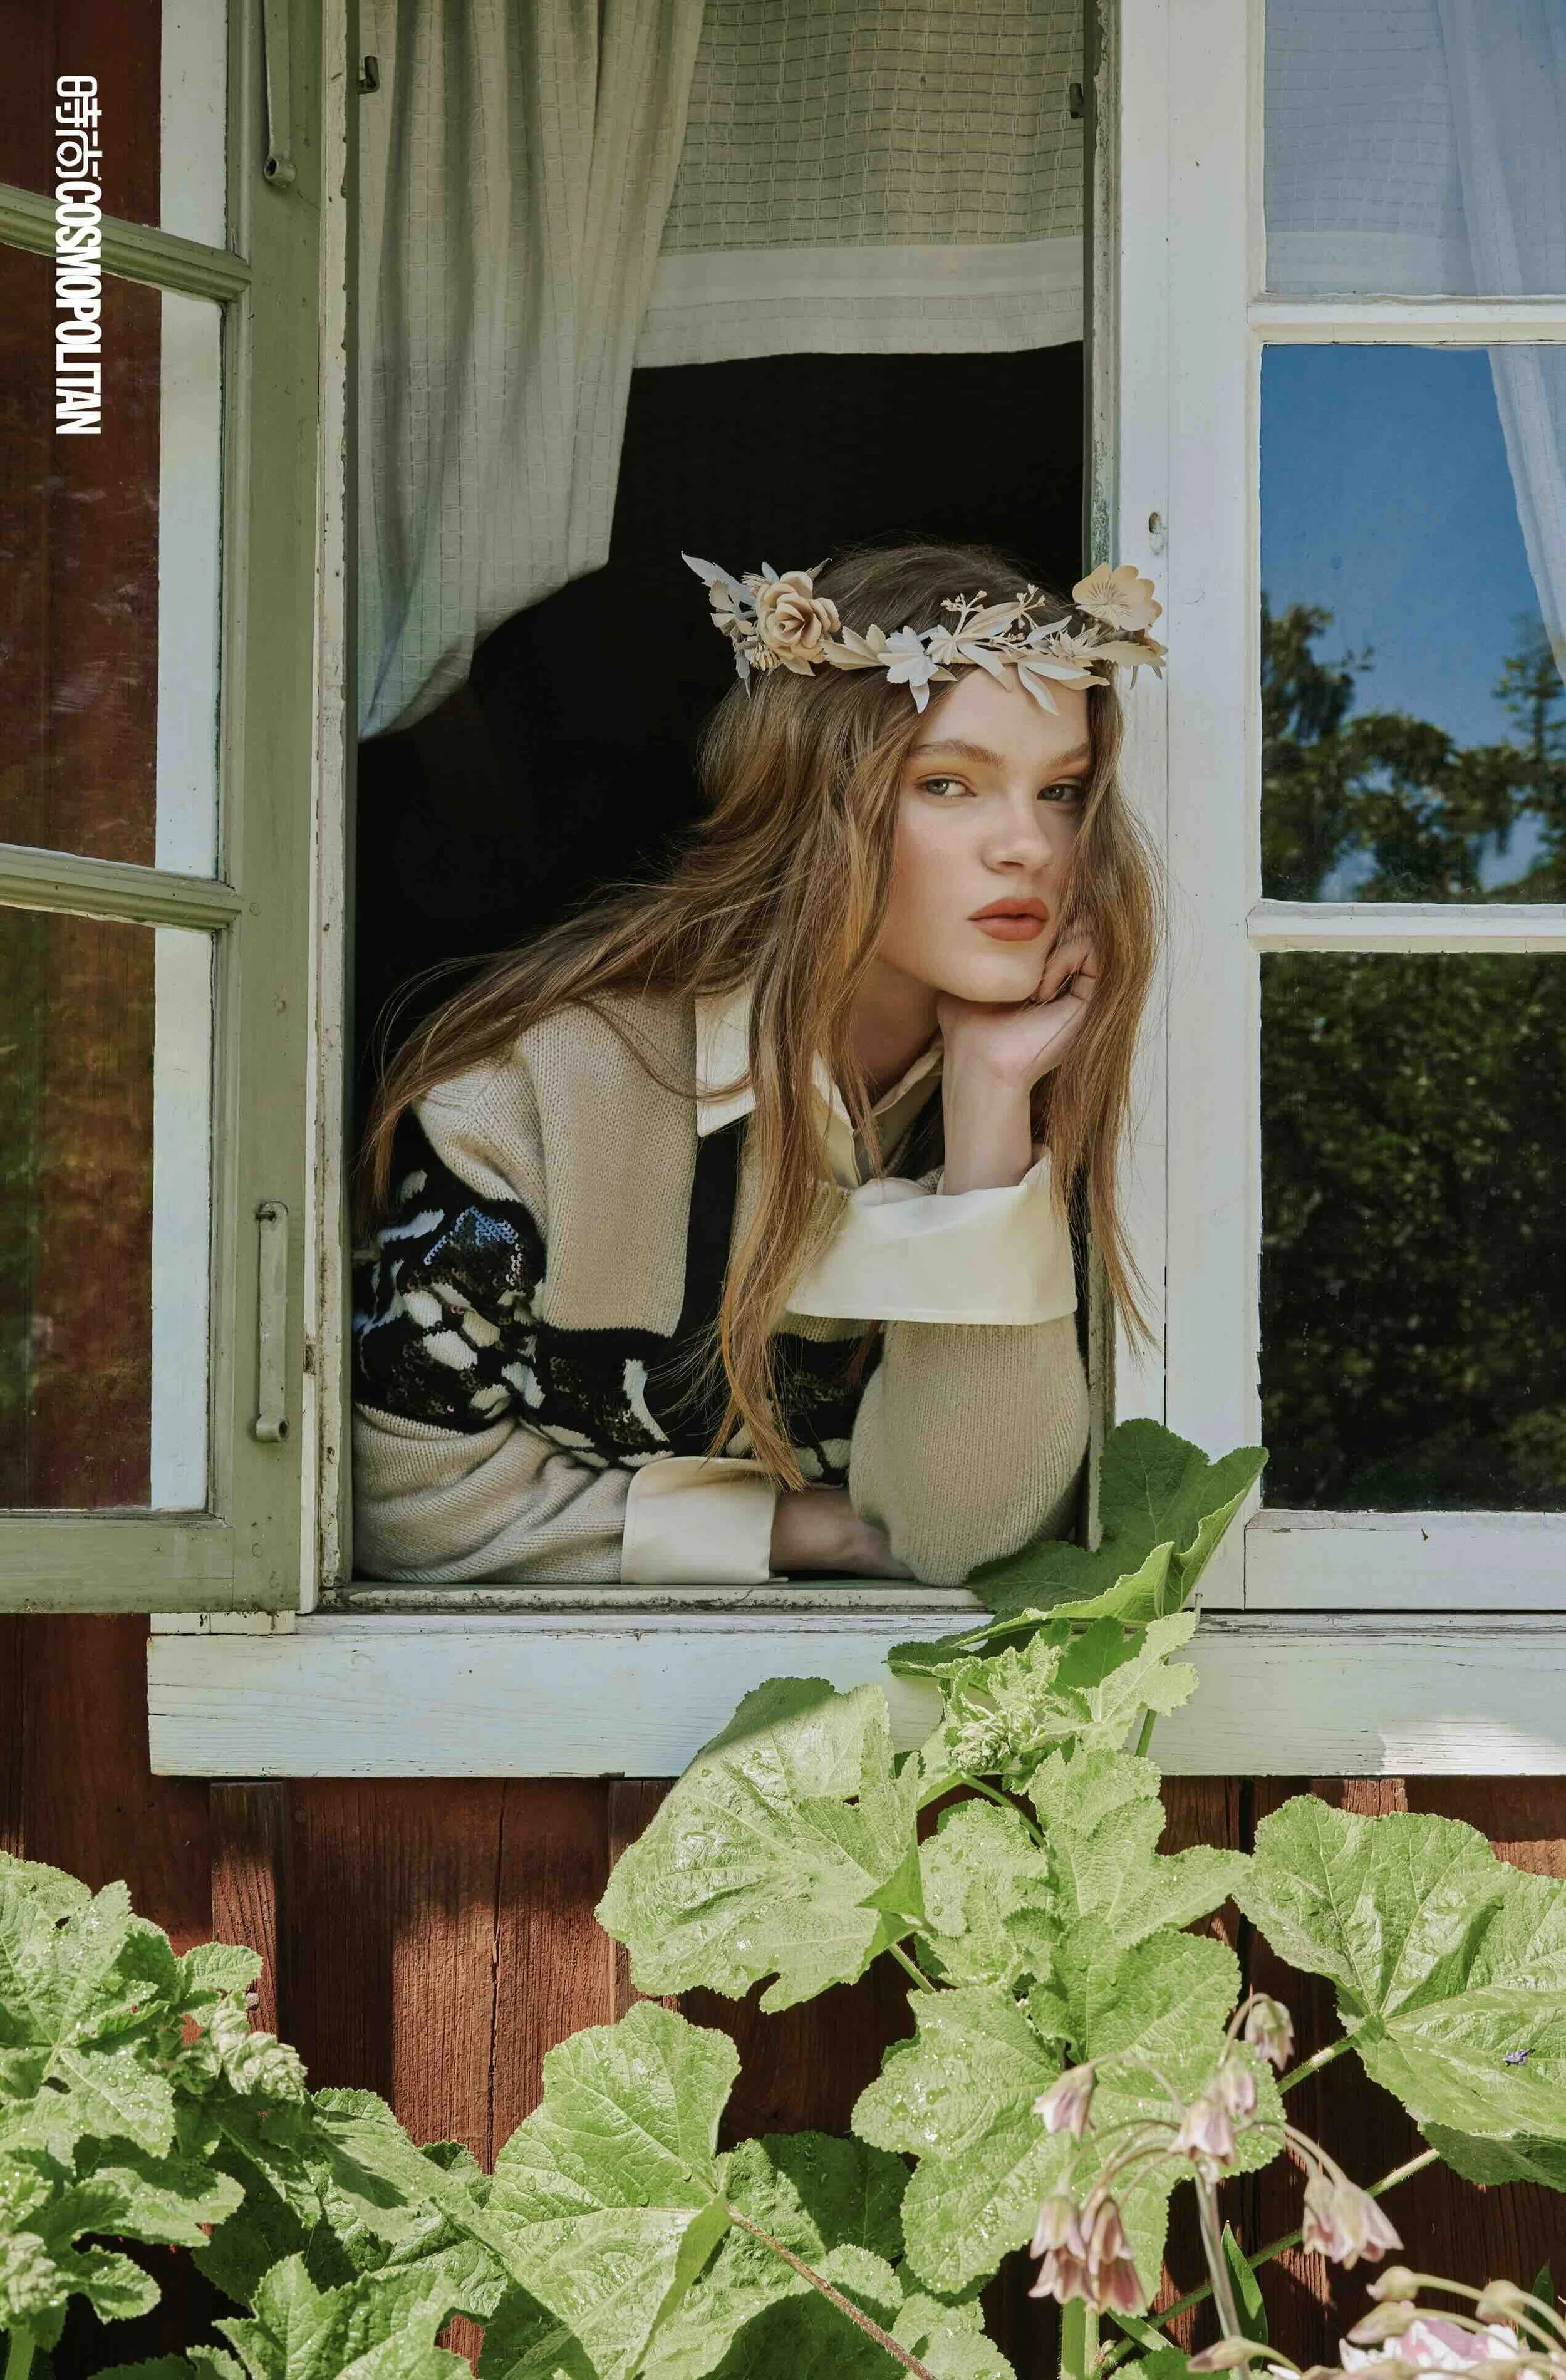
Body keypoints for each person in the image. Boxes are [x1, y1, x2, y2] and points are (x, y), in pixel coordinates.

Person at [351, 541, 1163, 1586]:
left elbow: (970, 1543)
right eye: (951, 783)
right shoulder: (541, 1094)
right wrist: (807, 1529)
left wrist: (990, 1109)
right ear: (813, 802)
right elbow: (402, 1499)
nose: (1029, 847)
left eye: (1064, 792)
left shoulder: (1080, 1095)